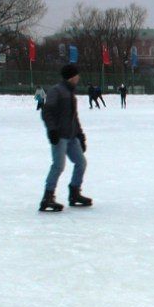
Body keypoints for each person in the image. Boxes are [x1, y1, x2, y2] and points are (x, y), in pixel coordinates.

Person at [39, 63, 92, 211]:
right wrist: (52, 130)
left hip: (71, 136)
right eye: (77, 75)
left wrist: (80, 136)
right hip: (60, 136)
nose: (79, 77)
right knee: (58, 166)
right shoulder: (57, 91)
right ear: (72, 77)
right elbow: (46, 112)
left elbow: (74, 118)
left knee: (81, 162)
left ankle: (74, 192)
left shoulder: (70, 93)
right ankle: (47, 197)